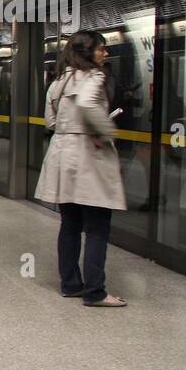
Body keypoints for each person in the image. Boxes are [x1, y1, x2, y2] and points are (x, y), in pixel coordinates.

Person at [34, 30, 127, 307]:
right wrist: (106, 130)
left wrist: (70, 127)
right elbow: (87, 103)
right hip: (89, 157)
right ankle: (95, 292)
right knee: (98, 226)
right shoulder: (95, 76)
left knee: (70, 225)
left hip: (62, 155)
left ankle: (70, 285)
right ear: (88, 51)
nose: (105, 53)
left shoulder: (59, 81)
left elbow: (50, 121)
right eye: (101, 49)